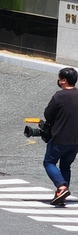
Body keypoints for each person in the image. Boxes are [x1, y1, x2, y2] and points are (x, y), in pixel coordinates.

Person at [42, 67, 78, 206]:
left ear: (64, 80)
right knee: (66, 165)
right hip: (76, 140)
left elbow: (48, 114)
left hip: (60, 138)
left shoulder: (59, 96)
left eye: (59, 78)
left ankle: (61, 187)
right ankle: (62, 195)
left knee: (49, 162)